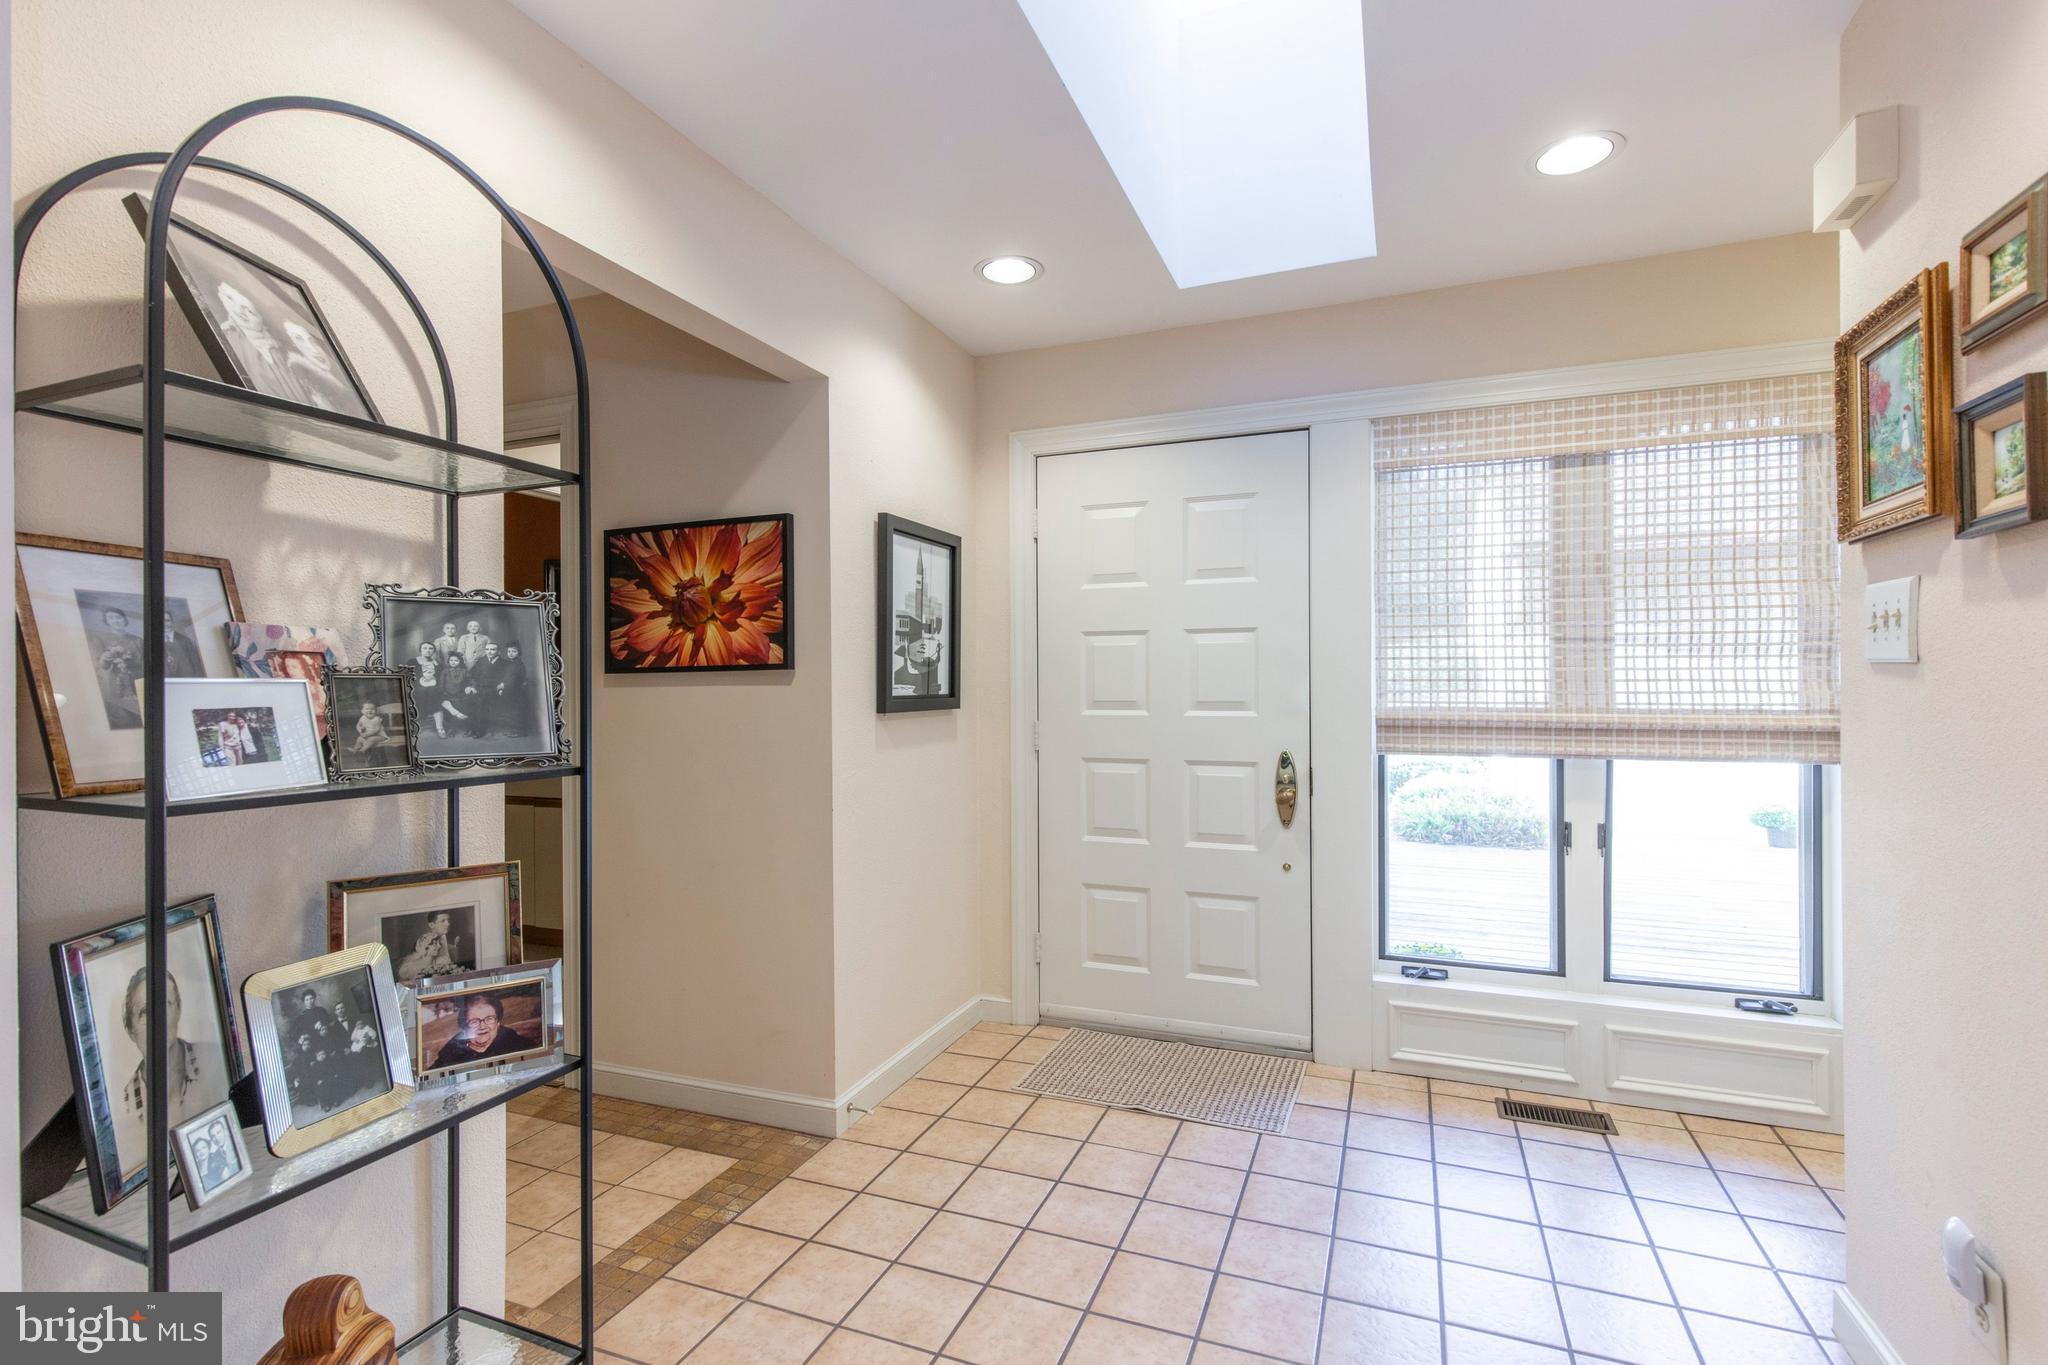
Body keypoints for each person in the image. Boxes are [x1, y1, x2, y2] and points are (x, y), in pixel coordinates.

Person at [118, 967, 225, 1165]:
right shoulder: (124, 1104)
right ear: (130, 1030)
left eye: (164, 1005)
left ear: (178, 1009)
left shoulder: (217, 1060)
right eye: (144, 1012)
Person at [211, 279, 298, 400]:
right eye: (229, 298)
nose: (240, 309)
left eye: (245, 305)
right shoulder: (229, 337)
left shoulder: (278, 348)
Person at [431, 992, 533, 1071]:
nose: (482, 1026)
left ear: (498, 1021)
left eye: (489, 1019)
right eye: (474, 1021)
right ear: (465, 1025)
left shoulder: (518, 1045)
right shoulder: (450, 1052)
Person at [280, 319, 359, 415]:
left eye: (312, 341)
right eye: (299, 339)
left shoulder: (343, 375)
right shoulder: (299, 371)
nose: (312, 348)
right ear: (294, 345)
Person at [91, 605, 146, 729]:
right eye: (111, 618)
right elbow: (103, 666)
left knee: (145, 714)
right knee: (127, 718)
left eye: (118, 617)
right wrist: (106, 656)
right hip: (118, 683)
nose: (115, 620)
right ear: (107, 622)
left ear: (124, 620)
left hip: (140, 681)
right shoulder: (100, 639)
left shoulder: (138, 640)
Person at [396, 910, 461, 983]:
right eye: (443, 921)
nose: (447, 923)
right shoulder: (426, 940)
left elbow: (446, 955)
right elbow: (420, 966)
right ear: (431, 925)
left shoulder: (443, 937)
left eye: (447, 920)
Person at [497, 643, 533, 739]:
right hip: (510, 691)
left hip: (516, 692)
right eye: (509, 651)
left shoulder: (518, 664)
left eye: (514, 651)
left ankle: (520, 731)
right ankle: (514, 729)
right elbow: (506, 677)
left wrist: (503, 686)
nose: (511, 653)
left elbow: (513, 679)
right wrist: (503, 687)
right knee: (511, 711)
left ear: (519, 653)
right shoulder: (511, 663)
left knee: (516, 711)